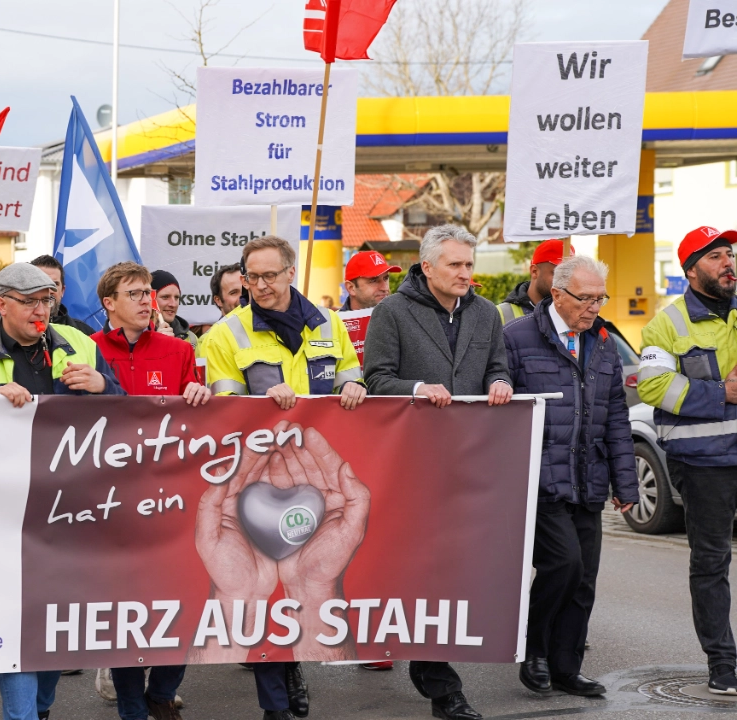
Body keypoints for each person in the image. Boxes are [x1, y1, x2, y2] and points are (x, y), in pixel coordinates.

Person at [0, 262, 121, 720]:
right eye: (30, 302)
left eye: (48, 300)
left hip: (68, 510)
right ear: (1, 304)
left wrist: (102, 386)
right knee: (15, 626)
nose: (42, 310)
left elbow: (123, 414)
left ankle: (39, 709)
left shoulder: (80, 344)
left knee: (55, 630)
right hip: (0, 512)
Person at [200, 236, 365, 720]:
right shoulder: (226, 334)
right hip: (258, 486)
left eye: (270, 275)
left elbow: (349, 376)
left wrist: (356, 384)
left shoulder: (330, 324)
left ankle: (295, 666)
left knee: (309, 587)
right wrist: (258, 406)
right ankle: (276, 703)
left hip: (322, 479)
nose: (260, 285)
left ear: (292, 272)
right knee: (266, 592)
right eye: (252, 277)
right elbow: (225, 411)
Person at [363, 224, 513, 720]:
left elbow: (499, 365)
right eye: (455, 265)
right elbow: (377, 378)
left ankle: (435, 667)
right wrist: (417, 386)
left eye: (470, 265)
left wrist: (499, 381)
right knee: (423, 572)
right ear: (427, 267)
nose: (466, 273)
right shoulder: (391, 312)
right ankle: (441, 684)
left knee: (453, 573)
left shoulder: (487, 313)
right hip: (410, 466)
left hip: (469, 464)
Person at [504, 255, 638, 698]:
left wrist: (626, 483)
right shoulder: (517, 338)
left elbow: (616, 417)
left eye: (601, 298)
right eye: (586, 298)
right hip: (539, 480)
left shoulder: (601, 341)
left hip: (588, 478)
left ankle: (566, 667)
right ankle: (533, 649)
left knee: (584, 581)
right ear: (557, 294)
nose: (594, 307)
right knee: (563, 564)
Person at [92, 261, 211, 720]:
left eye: (149, 293)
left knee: (179, 602)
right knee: (124, 612)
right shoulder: (88, 347)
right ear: (110, 304)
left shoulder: (179, 350)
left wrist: (199, 396)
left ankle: (161, 692)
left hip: (171, 500)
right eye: (137, 294)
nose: (148, 300)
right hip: (112, 502)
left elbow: (198, 416)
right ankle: (130, 705)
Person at [637, 226, 737, 695]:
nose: (728, 263)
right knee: (712, 561)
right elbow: (654, 386)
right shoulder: (665, 325)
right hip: (703, 463)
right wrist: (722, 391)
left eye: (730, 254)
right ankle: (723, 663)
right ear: (692, 269)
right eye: (716, 256)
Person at [0, 239, 97, 337]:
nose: (48, 290)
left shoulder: (83, 333)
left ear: (62, 291)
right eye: (41, 283)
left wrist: (101, 377)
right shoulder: (5, 326)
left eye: (54, 284)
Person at [498, 239, 564, 324]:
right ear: (534, 271)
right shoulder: (501, 314)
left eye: (569, 276)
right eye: (557, 273)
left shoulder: (575, 314)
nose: (564, 281)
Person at [150, 270, 199, 349]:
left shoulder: (191, 339)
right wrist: (157, 345)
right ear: (150, 299)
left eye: (176, 297)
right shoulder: (135, 337)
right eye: (165, 297)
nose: (173, 304)